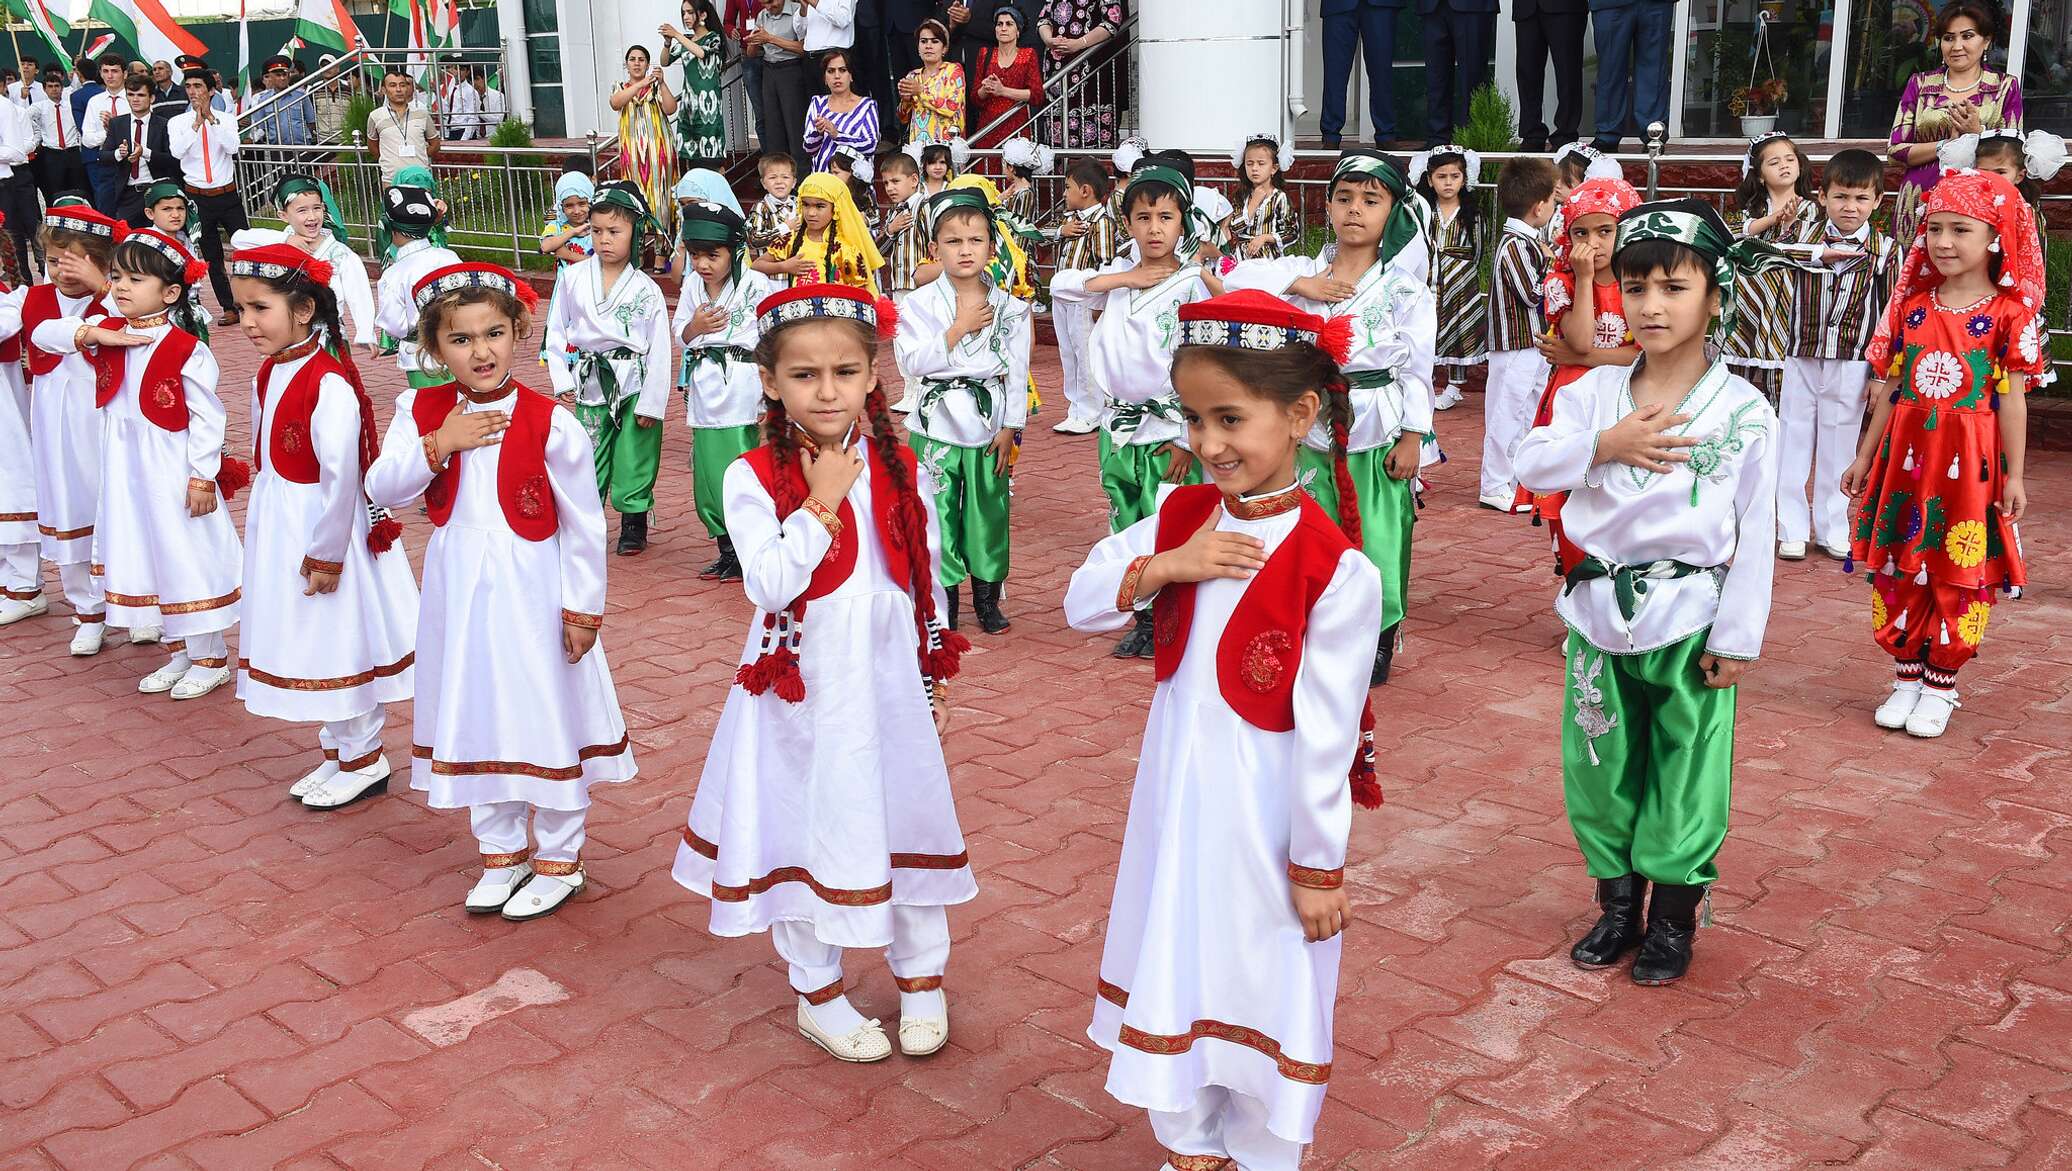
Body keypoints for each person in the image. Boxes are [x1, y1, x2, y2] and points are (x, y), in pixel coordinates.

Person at [1063, 290, 1384, 1171]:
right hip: (1176, 803)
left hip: (1265, 822)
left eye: (1230, 418)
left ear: (1302, 413)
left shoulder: (1337, 569)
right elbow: (1081, 602)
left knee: (1264, 966)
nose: (1208, 444)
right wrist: (1168, 565)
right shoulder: (1181, 517)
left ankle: (1264, 1150)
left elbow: (1326, 741)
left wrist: (1318, 866)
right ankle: (1192, 1144)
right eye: (1195, 418)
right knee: (1180, 943)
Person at [671, 281, 973, 1065]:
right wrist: (822, 504)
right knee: (808, 823)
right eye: (806, 375)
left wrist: (933, 672)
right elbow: (770, 582)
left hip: (890, 682)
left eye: (846, 370)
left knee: (905, 814)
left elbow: (927, 577)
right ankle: (819, 988)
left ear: (875, 373)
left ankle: (921, 976)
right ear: (770, 381)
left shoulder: (902, 463)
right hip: (801, 688)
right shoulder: (750, 475)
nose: (829, 390)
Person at [1514, 198, 1782, 986]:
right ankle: (1618, 904)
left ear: (1715, 296)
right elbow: (1531, 465)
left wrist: (1738, 636)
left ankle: (1672, 919)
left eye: (1673, 286)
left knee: (1687, 765)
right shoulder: (1592, 395)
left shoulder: (1743, 411)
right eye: (1635, 289)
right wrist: (1604, 445)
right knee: (1598, 758)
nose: (1652, 306)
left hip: (1691, 619)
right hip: (1598, 615)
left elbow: (1755, 531)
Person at [365, 261, 635, 921]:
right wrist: (440, 444)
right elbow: (380, 487)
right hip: (460, 593)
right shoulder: (418, 409)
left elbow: (583, 525)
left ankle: (560, 857)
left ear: (518, 330)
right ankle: (500, 849)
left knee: (545, 711)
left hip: (534, 592)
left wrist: (582, 609)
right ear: (433, 346)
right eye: (460, 339)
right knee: (477, 707)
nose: (480, 350)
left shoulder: (551, 422)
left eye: (493, 333)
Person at [1841, 169, 2045, 740]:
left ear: (1996, 236)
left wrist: (2015, 475)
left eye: (1961, 229)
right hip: (1906, 458)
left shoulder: (2009, 313)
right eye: (1934, 229)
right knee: (1901, 560)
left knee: (1957, 567)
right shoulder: (1913, 307)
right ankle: (1906, 671)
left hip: (1971, 465)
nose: (1944, 242)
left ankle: (1940, 683)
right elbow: (1893, 389)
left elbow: (2012, 403)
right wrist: (1864, 456)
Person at [1222, 150, 1435, 686]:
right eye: (1344, 198)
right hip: (1309, 427)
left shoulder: (1407, 290)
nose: (1355, 211)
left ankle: (1381, 634)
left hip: (1374, 428)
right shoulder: (1302, 274)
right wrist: (1300, 287)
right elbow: (1230, 281)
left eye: (1371, 200)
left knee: (1381, 535)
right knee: (1310, 529)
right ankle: (1311, 621)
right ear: (1328, 207)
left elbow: (1418, 370)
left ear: (1394, 211)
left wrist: (1413, 436)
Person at [227, 243, 418, 809]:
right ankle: (338, 750)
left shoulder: (328, 382)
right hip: (282, 521)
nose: (248, 323)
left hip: (320, 529)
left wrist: (328, 553)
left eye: (260, 308)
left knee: (338, 639)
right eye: (240, 310)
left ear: (304, 309)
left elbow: (341, 477)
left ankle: (364, 755)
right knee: (308, 637)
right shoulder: (273, 371)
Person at [43, 227, 245, 698]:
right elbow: (46, 335)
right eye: (116, 277)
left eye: (135, 279)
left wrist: (201, 476)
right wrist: (91, 331)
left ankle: (210, 656)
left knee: (182, 552)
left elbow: (207, 418)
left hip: (169, 467)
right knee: (143, 552)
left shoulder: (185, 348)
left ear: (171, 293)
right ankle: (177, 652)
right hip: (125, 470)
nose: (121, 287)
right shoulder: (109, 332)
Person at [1048, 150, 1219, 658]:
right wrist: (1124, 279)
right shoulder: (1119, 276)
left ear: (1182, 221)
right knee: (1125, 517)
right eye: (1142, 218)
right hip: (1118, 425)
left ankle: (1177, 615)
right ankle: (1142, 615)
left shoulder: (1192, 283)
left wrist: (1188, 434)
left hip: (1168, 426)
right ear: (1126, 222)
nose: (1154, 229)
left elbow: (1205, 365)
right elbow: (1062, 284)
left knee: (1171, 520)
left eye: (1165, 217)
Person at [896, 186, 1033, 634]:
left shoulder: (1011, 308)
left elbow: (1016, 371)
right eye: (953, 241)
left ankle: (988, 597)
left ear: (992, 247)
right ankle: (945, 598)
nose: (965, 251)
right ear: (934, 248)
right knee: (936, 513)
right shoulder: (917, 304)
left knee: (988, 510)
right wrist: (956, 330)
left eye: (975, 240)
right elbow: (911, 362)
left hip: (987, 423)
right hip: (934, 425)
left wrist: (1012, 426)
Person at [1773, 148, 1894, 564]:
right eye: (1841, 197)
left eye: (1862, 198)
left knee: (1839, 444)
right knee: (1792, 437)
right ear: (1822, 196)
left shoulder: (1885, 251)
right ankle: (1789, 526)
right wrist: (1816, 254)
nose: (1850, 207)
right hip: (1801, 354)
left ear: (1877, 201)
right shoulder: (1803, 240)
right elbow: (1766, 255)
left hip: (1853, 359)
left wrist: (1880, 374)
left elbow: (1890, 315)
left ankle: (1832, 526)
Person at [1519, 174, 1641, 575]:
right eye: (1581, 232)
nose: (1594, 243)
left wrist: (1583, 358)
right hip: (1573, 406)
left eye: (1606, 230)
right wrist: (1585, 279)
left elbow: (1639, 358)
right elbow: (1583, 338)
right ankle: (1577, 594)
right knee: (1570, 498)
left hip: (1624, 402)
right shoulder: (1563, 281)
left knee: (1619, 497)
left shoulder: (1641, 285)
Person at [544, 182, 674, 557]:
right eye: (597, 231)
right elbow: (556, 329)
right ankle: (586, 519)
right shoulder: (573, 278)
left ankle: (633, 521)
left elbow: (660, 350)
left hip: (633, 380)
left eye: (615, 232)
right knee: (589, 449)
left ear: (635, 231)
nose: (605, 240)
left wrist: (653, 402)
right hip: (591, 379)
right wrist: (561, 376)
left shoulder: (646, 289)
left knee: (635, 450)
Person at [12, 206, 117, 654]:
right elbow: (40, 334)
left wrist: (104, 288)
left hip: (104, 421)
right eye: (54, 261)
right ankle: (88, 612)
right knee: (69, 507)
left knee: (113, 505)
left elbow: (134, 322)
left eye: (76, 262)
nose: (63, 272)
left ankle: (136, 606)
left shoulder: (117, 297)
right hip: (57, 428)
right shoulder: (30, 299)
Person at [674, 200, 778, 581]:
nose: (703, 264)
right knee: (709, 472)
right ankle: (725, 546)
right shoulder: (691, 287)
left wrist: (771, 393)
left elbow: (770, 338)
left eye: (712, 255)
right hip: (705, 389)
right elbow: (680, 335)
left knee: (744, 464)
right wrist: (696, 327)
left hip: (744, 385)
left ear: (735, 251)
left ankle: (752, 544)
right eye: (696, 254)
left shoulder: (756, 285)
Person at [1886, 2, 2023, 245]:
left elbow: (2013, 152)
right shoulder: (1920, 84)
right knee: (1916, 276)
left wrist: (1977, 134)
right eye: (1949, 38)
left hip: (1980, 201)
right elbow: (1895, 152)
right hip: (1919, 199)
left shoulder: (2003, 87)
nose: (1957, 46)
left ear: (1986, 41)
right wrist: (1946, 145)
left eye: (1967, 36)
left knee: (1969, 276)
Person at [1480, 155, 1558, 512]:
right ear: (1539, 206)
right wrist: (1554, 266)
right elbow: (1532, 294)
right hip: (1514, 343)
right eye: (1553, 200)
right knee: (1505, 413)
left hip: (1530, 343)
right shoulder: (1515, 244)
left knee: (1526, 411)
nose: (1555, 206)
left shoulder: (1524, 242)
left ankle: (1512, 479)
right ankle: (1494, 483)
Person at [231, 173, 378, 350]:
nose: (312, 217)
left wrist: (366, 333)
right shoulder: (280, 244)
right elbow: (238, 239)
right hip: (288, 337)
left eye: (316, 208)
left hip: (328, 338)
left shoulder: (340, 254)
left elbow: (359, 293)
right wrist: (286, 239)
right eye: (302, 210)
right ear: (283, 215)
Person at [1724, 132, 1817, 401]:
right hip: (1748, 297)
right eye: (1774, 163)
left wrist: (1787, 224)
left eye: (1790, 159)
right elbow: (1736, 234)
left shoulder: (1811, 209)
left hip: (1786, 298)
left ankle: (1778, 421)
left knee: (1779, 364)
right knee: (1735, 361)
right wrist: (1775, 217)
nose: (1785, 165)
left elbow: (1799, 247)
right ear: (1761, 175)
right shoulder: (1752, 211)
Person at [166, 65, 247, 327]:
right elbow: (177, 153)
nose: (193, 92)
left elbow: (232, 146)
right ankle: (228, 306)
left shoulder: (226, 118)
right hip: (197, 197)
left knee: (245, 248)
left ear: (211, 90)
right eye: (188, 87)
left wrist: (211, 119)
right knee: (211, 256)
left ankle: (251, 299)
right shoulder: (177, 122)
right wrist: (196, 124)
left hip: (227, 194)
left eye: (198, 86)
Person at [371, 176, 462, 389]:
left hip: (421, 357)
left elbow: (394, 325)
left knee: (431, 415)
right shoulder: (449, 257)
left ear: (387, 226)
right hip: (459, 347)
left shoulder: (394, 274)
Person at [1048, 156, 1116, 435]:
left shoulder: (1101, 221)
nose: (1064, 193)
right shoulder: (1068, 220)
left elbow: (1106, 262)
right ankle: (1075, 408)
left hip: (1084, 298)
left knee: (1085, 353)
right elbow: (1037, 235)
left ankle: (1091, 411)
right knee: (1068, 354)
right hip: (1061, 296)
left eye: (1067, 187)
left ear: (1085, 191)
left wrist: (1101, 302)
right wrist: (1059, 232)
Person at [1413, 145, 1484, 410]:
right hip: (1428, 278)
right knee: (1425, 328)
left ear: (1464, 179)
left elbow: (1477, 251)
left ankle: (1454, 386)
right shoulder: (1424, 210)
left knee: (1457, 329)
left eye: (1455, 176)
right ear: (1430, 179)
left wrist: (1462, 274)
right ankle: (1425, 379)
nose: (1448, 182)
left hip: (1461, 282)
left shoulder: (1472, 215)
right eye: (1442, 176)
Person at [755, 170, 885, 293]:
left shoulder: (845, 248)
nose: (811, 213)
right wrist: (784, 267)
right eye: (806, 204)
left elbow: (860, 290)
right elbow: (757, 265)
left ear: (835, 209)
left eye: (819, 206)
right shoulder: (791, 239)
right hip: (797, 314)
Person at [610, 46, 680, 250]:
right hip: (631, 153)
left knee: (661, 199)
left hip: (658, 151)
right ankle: (636, 251)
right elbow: (616, 103)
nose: (637, 63)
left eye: (641, 59)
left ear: (648, 64)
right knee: (634, 200)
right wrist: (641, 83)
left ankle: (662, 251)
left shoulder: (656, 86)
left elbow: (670, 108)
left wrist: (662, 83)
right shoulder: (619, 86)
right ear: (626, 64)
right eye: (632, 59)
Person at [1586, 0, 1672, 152]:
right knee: (1609, 68)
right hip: (1609, 4)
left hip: (1656, 4)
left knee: (1654, 68)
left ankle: (1653, 132)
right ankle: (1607, 134)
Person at [1036, 0, 1124, 148]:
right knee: (1057, 136)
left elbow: (1112, 21)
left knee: (1091, 139)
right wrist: (1049, 40)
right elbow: (1043, 19)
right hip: (1057, 68)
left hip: (1089, 66)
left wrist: (1080, 43)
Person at [1317, 0, 1403, 150]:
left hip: (1381, 5)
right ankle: (1330, 134)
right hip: (1338, 5)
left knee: (1382, 73)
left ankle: (1386, 134)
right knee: (1335, 73)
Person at [102, 77, 182, 227]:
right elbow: (103, 157)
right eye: (131, 95)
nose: (135, 99)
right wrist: (119, 153)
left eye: (141, 95)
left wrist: (145, 152)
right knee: (126, 239)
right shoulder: (117, 123)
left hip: (158, 191)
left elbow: (173, 159)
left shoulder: (164, 124)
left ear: (151, 98)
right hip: (128, 194)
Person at [661, 0, 729, 166]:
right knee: (689, 160)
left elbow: (701, 52)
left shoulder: (713, 38)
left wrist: (677, 35)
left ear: (703, 14)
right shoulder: (686, 40)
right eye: (683, 13)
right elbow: (664, 61)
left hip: (708, 107)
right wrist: (668, 42)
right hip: (688, 106)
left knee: (709, 159)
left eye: (690, 12)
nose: (686, 17)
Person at [1419, 0, 1496, 148]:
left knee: (1473, 78)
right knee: (1435, 78)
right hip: (1432, 7)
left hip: (1473, 7)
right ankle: (1437, 140)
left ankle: (1473, 140)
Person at [1513, 0, 1586, 153]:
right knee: (1527, 72)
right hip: (1526, 7)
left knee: (1568, 73)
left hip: (1565, 7)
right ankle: (1531, 134)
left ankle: (1566, 135)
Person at [969, 5, 1043, 152]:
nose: (1003, 28)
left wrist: (1003, 90)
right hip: (988, 126)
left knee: (1015, 169)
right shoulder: (985, 54)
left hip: (1017, 125)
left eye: (1009, 24)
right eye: (999, 24)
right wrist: (985, 89)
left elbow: (1037, 95)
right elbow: (974, 98)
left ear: (1018, 31)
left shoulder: (1028, 54)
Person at [749, 0, 812, 168]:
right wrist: (754, 41)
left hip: (791, 69)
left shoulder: (798, 11)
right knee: (773, 127)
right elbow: (751, 53)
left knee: (795, 125)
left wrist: (770, 38)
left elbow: (804, 48)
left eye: (771, 2)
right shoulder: (762, 15)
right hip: (769, 70)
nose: (769, 7)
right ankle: (778, 175)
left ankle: (800, 177)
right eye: (764, 4)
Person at [803, 48, 880, 172]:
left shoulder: (867, 105)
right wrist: (818, 133)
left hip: (854, 184)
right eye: (831, 71)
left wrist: (837, 135)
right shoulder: (817, 103)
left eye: (842, 70)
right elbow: (809, 149)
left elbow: (870, 146)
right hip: (822, 182)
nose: (837, 76)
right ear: (824, 78)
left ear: (851, 76)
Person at [71, 52, 127, 214]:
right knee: (106, 211)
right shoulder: (95, 102)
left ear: (125, 73)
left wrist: (115, 126)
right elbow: (87, 139)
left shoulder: (135, 98)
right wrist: (110, 132)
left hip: (132, 163)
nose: (110, 76)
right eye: (106, 71)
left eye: (115, 71)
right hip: (105, 163)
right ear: (100, 73)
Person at [366, 67, 440, 187]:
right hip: (391, 179)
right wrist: (388, 158)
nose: (398, 89)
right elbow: (372, 145)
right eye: (393, 85)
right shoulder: (376, 116)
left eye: (402, 85)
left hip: (420, 178)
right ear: (384, 90)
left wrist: (419, 155)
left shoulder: (422, 114)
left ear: (407, 88)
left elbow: (435, 144)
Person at [875, 148, 928, 306]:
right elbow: (878, 252)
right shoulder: (893, 212)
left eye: (895, 181)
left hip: (923, 287)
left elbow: (936, 243)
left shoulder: (924, 206)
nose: (889, 188)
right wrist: (891, 229)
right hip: (898, 285)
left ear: (913, 180)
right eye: (886, 183)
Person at [899, 20, 964, 143]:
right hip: (917, 146)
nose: (928, 46)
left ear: (944, 48)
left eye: (934, 41)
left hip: (946, 147)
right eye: (923, 41)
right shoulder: (912, 76)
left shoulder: (953, 71)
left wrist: (920, 91)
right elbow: (903, 119)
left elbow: (951, 108)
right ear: (918, 48)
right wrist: (905, 100)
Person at [30, 70, 88, 202]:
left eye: (57, 86)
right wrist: (37, 134)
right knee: (54, 189)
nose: (54, 89)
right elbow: (23, 118)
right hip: (52, 154)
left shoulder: (71, 105)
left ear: (62, 88)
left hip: (73, 151)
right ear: (44, 89)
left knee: (78, 188)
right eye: (50, 86)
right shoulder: (39, 107)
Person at [747, 150, 800, 254]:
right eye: (772, 177)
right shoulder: (761, 207)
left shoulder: (799, 204)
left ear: (793, 182)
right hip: (769, 267)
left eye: (785, 177)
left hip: (797, 264)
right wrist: (785, 228)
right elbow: (754, 239)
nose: (779, 182)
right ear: (763, 183)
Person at [541, 171, 597, 267]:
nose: (576, 211)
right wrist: (573, 232)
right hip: (566, 282)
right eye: (569, 206)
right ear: (561, 207)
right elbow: (545, 247)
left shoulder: (597, 225)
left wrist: (568, 254)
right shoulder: (557, 226)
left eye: (582, 204)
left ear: (590, 202)